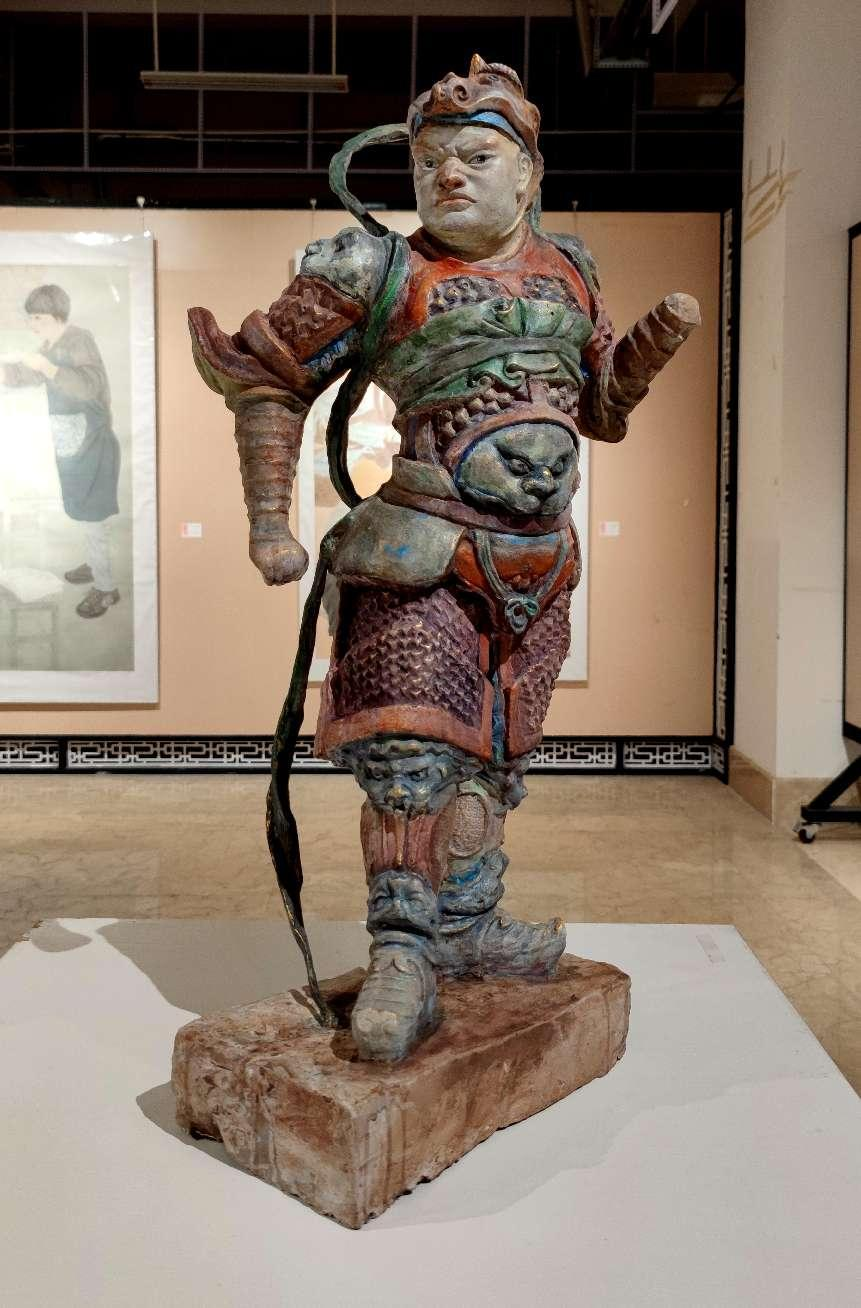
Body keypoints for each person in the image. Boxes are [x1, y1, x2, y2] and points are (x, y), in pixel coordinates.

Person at [189, 55, 700, 1061]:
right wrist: (267, 522)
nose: (448, 175)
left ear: (529, 174)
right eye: (429, 162)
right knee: (409, 760)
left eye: (475, 156)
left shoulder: (570, 269)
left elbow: (597, 410)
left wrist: (643, 353)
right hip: (420, 550)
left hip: (537, 561)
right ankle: (402, 954)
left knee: (495, 759)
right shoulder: (373, 269)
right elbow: (265, 375)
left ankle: (466, 926)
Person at [1, 283, 121, 619]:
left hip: (92, 441)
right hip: (72, 439)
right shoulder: (51, 345)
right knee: (82, 507)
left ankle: (106, 589)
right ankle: (95, 565)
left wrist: (48, 368)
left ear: (56, 316)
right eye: (30, 318)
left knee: (93, 514)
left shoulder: (78, 339)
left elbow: (90, 385)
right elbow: (27, 373)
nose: (32, 324)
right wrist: (11, 371)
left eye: (37, 318)